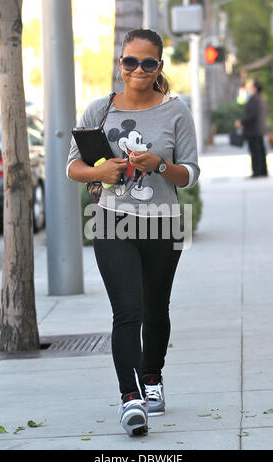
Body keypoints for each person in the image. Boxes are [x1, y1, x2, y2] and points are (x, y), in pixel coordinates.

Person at [66, 29, 200, 437]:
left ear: (159, 66)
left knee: (156, 307)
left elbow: (190, 175)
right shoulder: (98, 110)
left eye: (148, 63)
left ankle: (153, 376)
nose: (138, 70)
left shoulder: (176, 112)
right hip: (111, 220)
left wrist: (159, 164)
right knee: (128, 311)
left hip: (162, 220)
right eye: (130, 62)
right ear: (120, 63)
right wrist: (100, 171)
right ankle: (132, 398)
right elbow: (73, 166)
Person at [235, 78, 268, 178]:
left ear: (255, 88)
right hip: (259, 129)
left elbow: (251, 115)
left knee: (255, 152)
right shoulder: (260, 98)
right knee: (260, 151)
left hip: (253, 130)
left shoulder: (254, 99)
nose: (249, 88)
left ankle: (257, 172)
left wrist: (241, 121)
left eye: (251, 86)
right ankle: (263, 171)